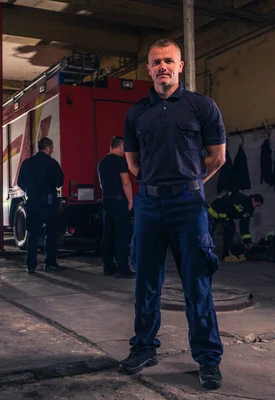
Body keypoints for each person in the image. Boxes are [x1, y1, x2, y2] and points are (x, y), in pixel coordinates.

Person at [120, 38, 227, 390]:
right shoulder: (137, 113)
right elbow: (133, 165)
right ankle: (145, 347)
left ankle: (208, 360)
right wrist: (157, 186)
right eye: (155, 62)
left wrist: (191, 182)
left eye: (169, 61)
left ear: (181, 66)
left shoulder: (201, 107)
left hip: (188, 205)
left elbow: (217, 156)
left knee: (197, 285)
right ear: (148, 69)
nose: (162, 67)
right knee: (146, 282)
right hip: (150, 206)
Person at [17, 137, 65, 274]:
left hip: (32, 202)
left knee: (32, 233)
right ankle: (50, 263)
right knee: (51, 234)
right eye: (52, 148)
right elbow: (59, 182)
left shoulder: (27, 163)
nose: (52, 150)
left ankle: (30, 265)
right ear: (48, 148)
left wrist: (30, 190)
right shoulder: (52, 163)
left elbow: (20, 182)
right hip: (49, 203)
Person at [97, 136, 136, 279]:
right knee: (122, 235)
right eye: (123, 147)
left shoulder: (102, 163)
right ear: (119, 146)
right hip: (119, 202)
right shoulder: (120, 161)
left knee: (108, 235)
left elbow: (102, 184)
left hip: (106, 202)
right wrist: (130, 200)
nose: (124, 150)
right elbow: (126, 182)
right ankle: (122, 268)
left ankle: (108, 267)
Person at [208, 192, 264, 261]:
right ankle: (203, 253)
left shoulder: (247, 211)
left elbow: (244, 226)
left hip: (224, 216)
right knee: (208, 234)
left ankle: (226, 254)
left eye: (257, 206)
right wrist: (223, 217)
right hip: (213, 212)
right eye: (256, 205)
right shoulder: (241, 198)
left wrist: (247, 242)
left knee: (231, 229)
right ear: (253, 199)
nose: (255, 207)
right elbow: (227, 199)